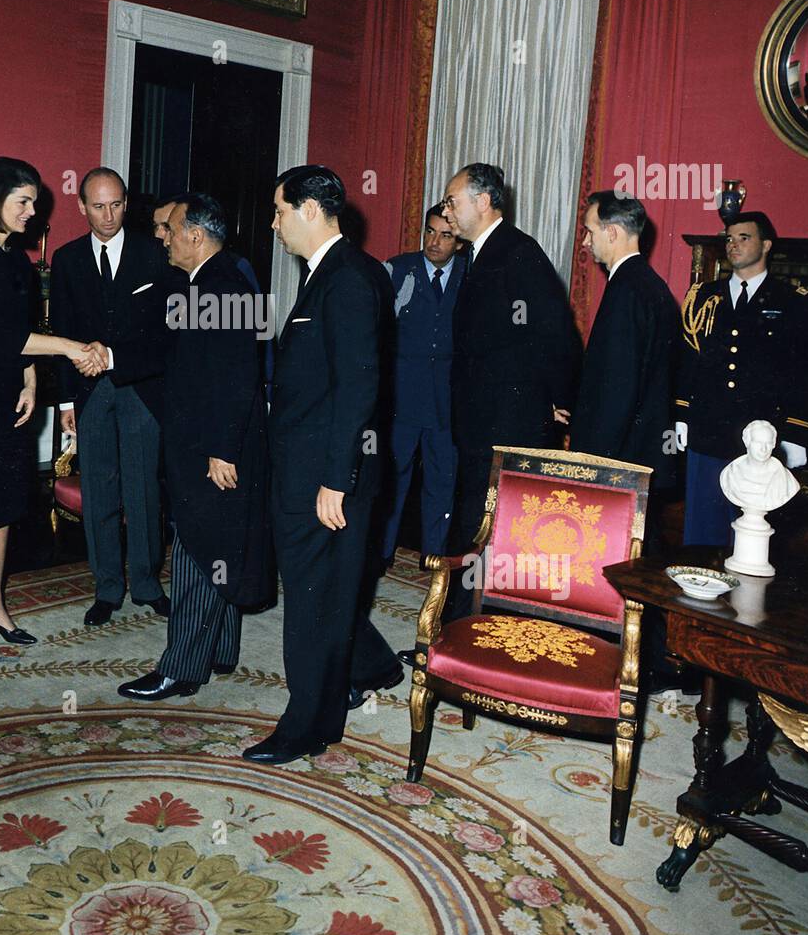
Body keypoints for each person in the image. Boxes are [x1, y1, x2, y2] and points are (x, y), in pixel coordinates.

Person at [243, 166, 402, 767]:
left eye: (280, 210)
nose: (274, 223)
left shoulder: (350, 280)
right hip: (306, 465)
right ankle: (375, 665)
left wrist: (338, 478)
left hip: (329, 474)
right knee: (326, 589)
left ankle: (307, 725)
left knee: (312, 602)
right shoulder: (324, 275)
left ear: (310, 210)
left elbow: (359, 389)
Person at [0, 158, 108, 662]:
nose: (33, 212)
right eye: (24, 202)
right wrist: (74, 348)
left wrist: (31, 380)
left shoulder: (16, 260)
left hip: (9, 397)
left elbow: (26, 327)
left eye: (34, 202)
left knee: (2, 500)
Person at [119, 194, 270, 701]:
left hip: (214, 448)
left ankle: (180, 668)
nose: (164, 237)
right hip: (207, 441)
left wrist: (222, 449)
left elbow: (237, 378)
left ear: (196, 237)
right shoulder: (209, 281)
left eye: (172, 230)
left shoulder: (221, 286)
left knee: (196, 547)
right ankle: (221, 650)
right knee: (221, 541)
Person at [441, 163, 580, 617]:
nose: (447, 211)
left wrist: (561, 400)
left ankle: (476, 631)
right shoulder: (479, 254)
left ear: (483, 202)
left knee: (494, 531)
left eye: (452, 201)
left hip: (508, 423)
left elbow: (555, 331)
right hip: (483, 420)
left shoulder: (518, 252)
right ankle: (459, 628)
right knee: (474, 525)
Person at [49, 168, 173, 624]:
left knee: (142, 488)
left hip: (140, 389)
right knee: (99, 489)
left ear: (127, 203)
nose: (109, 215)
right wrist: (65, 403)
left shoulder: (154, 254)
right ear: (81, 207)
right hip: (88, 392)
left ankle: (145, 583)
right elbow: (60, 332)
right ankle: (107, 588)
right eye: (98, 206)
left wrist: (115, 355)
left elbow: (165, 332)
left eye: (117, 204)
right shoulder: (66, 259)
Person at [675, 212, 808, 545]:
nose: (734, 245)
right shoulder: (704, 297)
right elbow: (687, 360)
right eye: (729, 238)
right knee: (702, 531)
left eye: (744, 238)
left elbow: (807, 372)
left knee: (752, 537)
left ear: (766, 245)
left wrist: (797, 433)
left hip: (762, 439)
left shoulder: (795, 302)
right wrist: (681, 415)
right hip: (708, 431)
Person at [565, 191, 680, 489]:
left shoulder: (625, 291)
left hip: (617, 462)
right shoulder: (652, 286)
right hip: (640, 454)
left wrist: (593, 463)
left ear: (612, 232)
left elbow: (616, 388)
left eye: (590, 232)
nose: (586, 242)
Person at [379, 205, 465, 565]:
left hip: (447, 402)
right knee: (391, 480)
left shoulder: (470, 274)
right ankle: (380, 556)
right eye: (429, 232)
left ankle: (434, 560)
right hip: (403, 399)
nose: (434, 242)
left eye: (445, 235)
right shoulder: (398, 269)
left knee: (442, 482)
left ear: (459, 242)